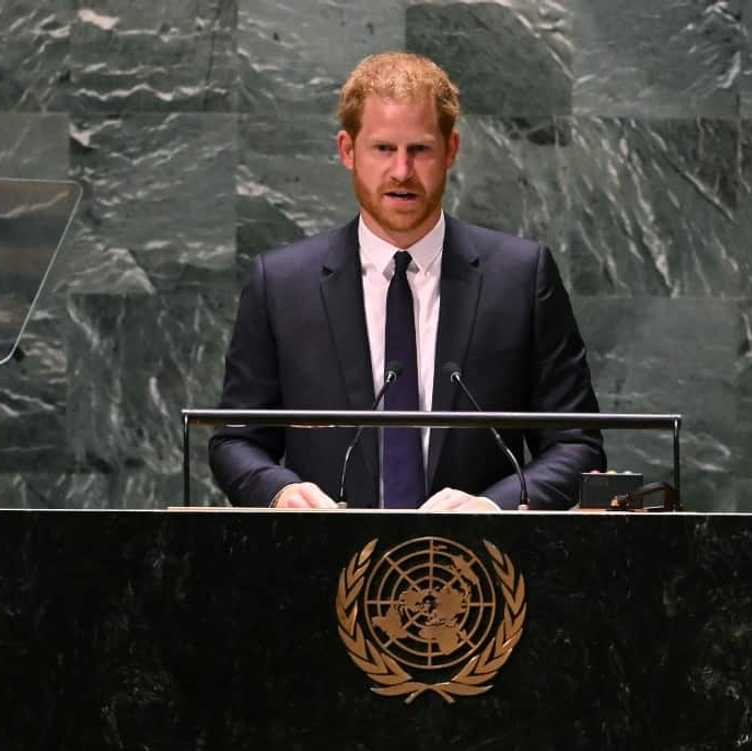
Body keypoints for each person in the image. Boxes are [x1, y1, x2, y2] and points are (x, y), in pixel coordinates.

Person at [209, 51, 604, 511]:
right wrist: (278, 491)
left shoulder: (520, 278)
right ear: (347, 150)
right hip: (320, 564)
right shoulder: (280, 285)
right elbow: (236, 441)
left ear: (451, 150)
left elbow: (578, 446)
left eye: (419, 149)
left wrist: (493, 507)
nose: (401, 171)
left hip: (480, 569)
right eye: (383, 149)